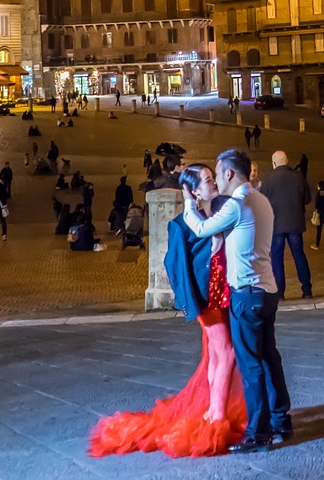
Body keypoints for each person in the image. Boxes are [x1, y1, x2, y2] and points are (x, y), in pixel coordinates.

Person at [90, 161, 246, 456]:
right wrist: (192, 306)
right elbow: (176, 266)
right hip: (208, 298)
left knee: (216, 355)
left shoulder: (216, 212)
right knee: (225, 353)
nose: (212, 182)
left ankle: (215, 409)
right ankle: (216, 416)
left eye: (212, 178)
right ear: (192, 190)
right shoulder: (182, 223)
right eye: (207, 180)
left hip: (222, 294)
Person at [181, 149, 293, 453]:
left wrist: (189, 203)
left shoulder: (238, 204)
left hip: (246, 294)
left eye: (217, 174)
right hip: (268, 289)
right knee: (270, 356)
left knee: (250, 363)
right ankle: (282, 419)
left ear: (230, 174)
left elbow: (202, 229)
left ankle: (259, 432)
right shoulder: (261, 200)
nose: (216, 180)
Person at [260, 150, 312, 299]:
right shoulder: (299, 177)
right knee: (299, 255)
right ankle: (307, 289)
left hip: (276, 225)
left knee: (276, 257)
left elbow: (263, 202)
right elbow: (307, 198)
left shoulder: (269, 180)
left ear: (273, 163)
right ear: (287, 161)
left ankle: (280, 292)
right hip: (296, 223)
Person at [310, 180, 324, 251]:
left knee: (319, 230)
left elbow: (317, 205)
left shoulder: (319, 193)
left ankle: (317, 244)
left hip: (320, 214)